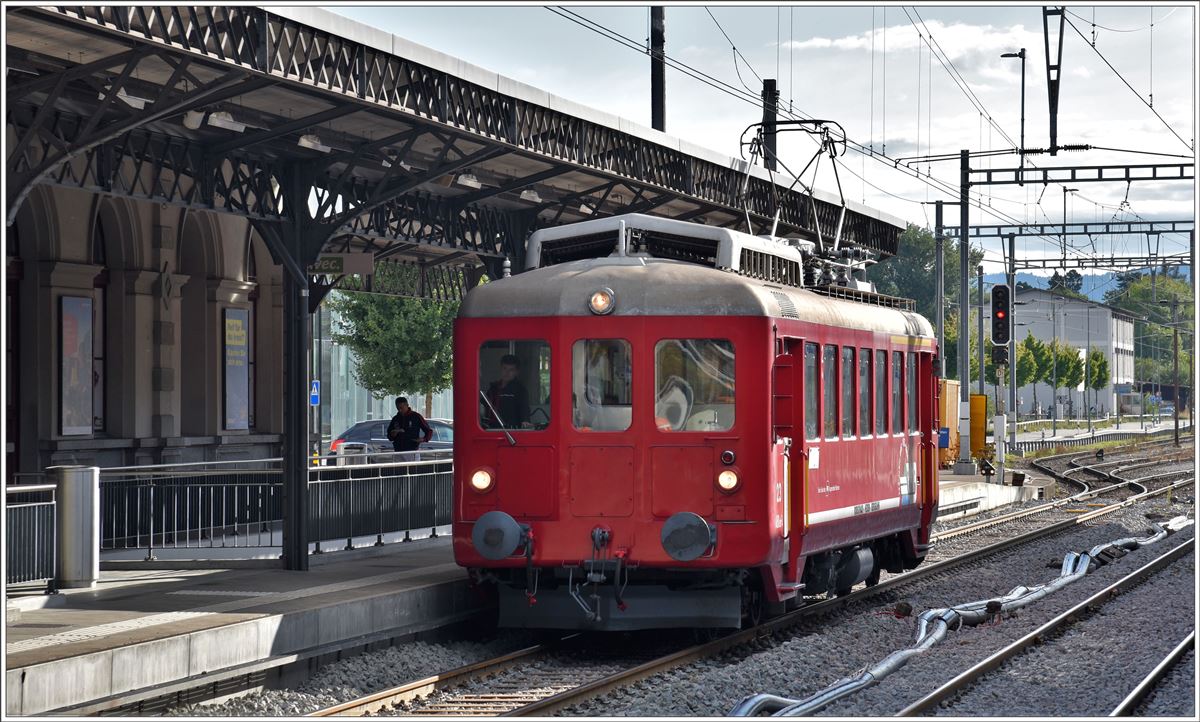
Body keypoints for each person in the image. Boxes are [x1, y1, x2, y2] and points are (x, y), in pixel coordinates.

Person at [484, 354, 531, 429]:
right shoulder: (493, 388)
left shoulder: (520, 390)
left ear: (516, 372)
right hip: (491, 430)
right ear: (500, 369)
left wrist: (525, 420)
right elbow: (483, 406)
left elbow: (524, 408)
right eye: (504, 368)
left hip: (511, 431)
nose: (507, 372)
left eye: (511, 370)